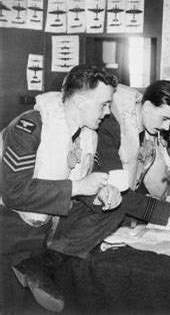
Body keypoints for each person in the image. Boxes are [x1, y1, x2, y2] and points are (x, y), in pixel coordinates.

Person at [7, 80, 170, 312]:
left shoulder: (144, 135)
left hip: (59, 206)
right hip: (34, 217)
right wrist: (169, 211)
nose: (168, 128)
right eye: (164, 119)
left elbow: (129, 186)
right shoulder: (107, 128)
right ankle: (47, 261)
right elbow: (16, 191)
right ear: (147, 107)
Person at [0, 65, 119, 312]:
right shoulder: (29, 127)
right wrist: (78, 186)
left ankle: (44, 262)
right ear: (78, 102)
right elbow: (13, 192)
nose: (107, 112)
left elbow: (77, 186)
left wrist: (99, 194)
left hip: (51, 222)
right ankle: (39, 264)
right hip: (12, 224)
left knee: (117, 211)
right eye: (103, 104)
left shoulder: (87, 135)